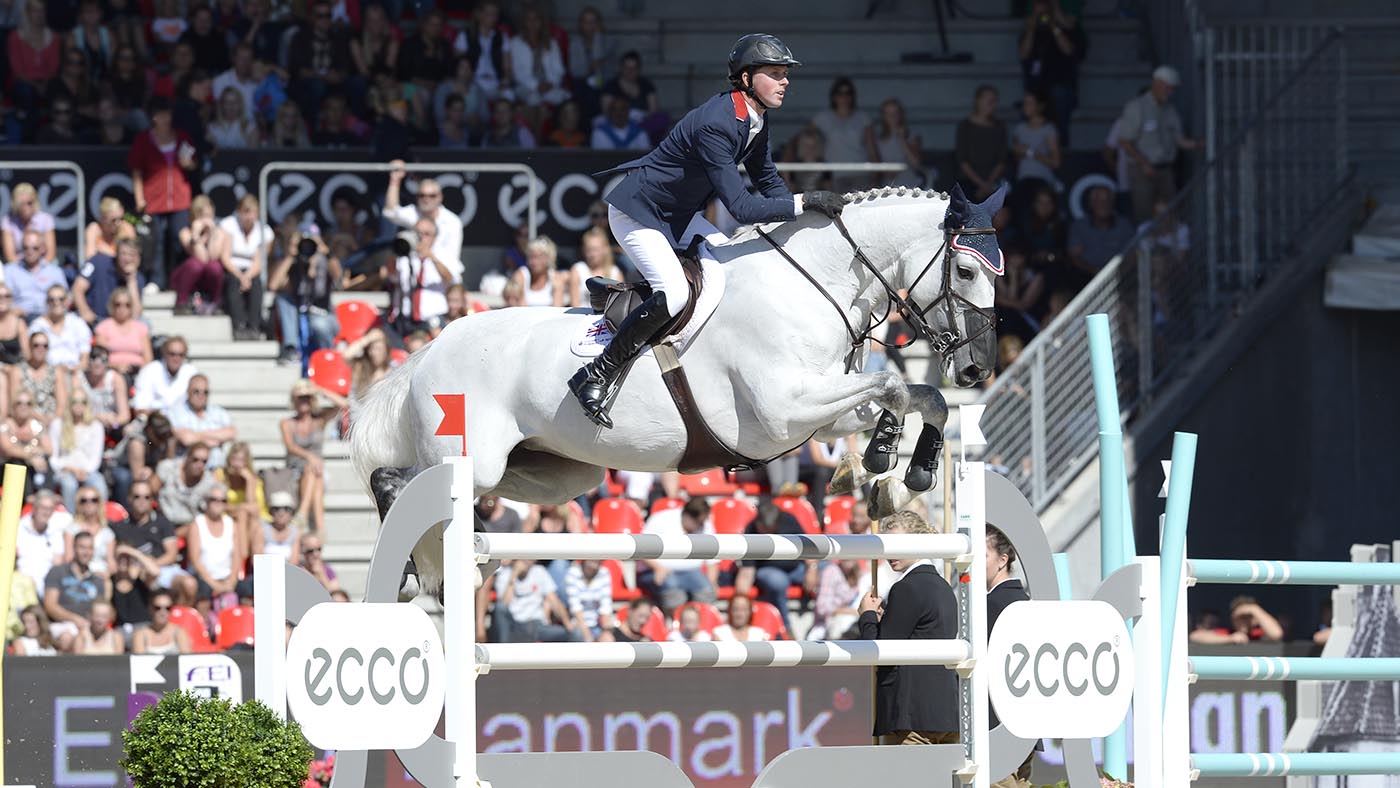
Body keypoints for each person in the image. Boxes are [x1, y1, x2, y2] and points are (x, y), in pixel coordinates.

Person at [570, 34, 846, 428]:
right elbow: (742, 207)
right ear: (747, 79)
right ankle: (596, 374)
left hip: (678, 215)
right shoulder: (717, 123)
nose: (785, 81)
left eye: (785, 74)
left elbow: (767, 180)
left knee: (734, 269)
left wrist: (804, 222)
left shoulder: (755, 117)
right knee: (675, 293)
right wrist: (804, 202)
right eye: (775, 73)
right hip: (639, 213)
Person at [857, 511, 959, 745]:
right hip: (946, 713)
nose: (890, 553)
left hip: (911, 715)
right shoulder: (944, 587)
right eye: (887, 545)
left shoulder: (906, 587)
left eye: (898, 544)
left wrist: (867, 616)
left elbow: (881, 651)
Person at [128, 97, 197, 290]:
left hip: (180, 197)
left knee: (180, 238)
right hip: (154, 198)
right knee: (155, 240)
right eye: (161, 115)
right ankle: (156, 280)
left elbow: (194, 164)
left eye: (168, 115)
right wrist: (139, 197)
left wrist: (188, 164)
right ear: (153, 117)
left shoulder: (182, 136)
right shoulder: (143, 139)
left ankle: (181, 280)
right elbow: (136, 171)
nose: (165, 119)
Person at [1117, 65, 1201, 223]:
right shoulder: (1137, 107)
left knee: (1171, 214)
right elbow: (1124, 141)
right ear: (1156, 83)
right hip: (1141, 170)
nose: (1170, 92)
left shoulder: (1170, 110)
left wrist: (1199, 144)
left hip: (1165, 169)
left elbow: (1180, 140)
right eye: (1167, 87)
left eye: (1172, 89)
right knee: (1144, 215)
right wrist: (1144, 164)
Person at [987, 524, 1035, 788]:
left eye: (983, 555)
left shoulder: (991, 605)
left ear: (1002, 560)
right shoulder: (1026, 601)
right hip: (1026, 723)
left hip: (996, 724)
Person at [733, 499, 817, 634]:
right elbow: (746, 572)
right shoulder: (750, 531)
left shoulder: (789, 520)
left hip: (796, 568)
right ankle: (785, 630)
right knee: (777, 581)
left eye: (771, 531)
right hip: (768, 571)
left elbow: (808, 548)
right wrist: (739, 604)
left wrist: (812, 570)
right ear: (758, 523)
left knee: (828, 570)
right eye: (765, 531)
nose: (768, 535)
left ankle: (822, 624)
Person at [114, 479, 197, 606]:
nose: (142, 501)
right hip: (134, 571)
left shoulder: (163, 522)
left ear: (152, 500)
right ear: (129, 498)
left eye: (147, 497)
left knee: (189, 584)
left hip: (163, 568)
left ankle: (179, 615)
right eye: (137, 496)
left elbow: (172, 555)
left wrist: (152, 564)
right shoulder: (120, 526)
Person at [269, 223, 341, 366]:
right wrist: (290, 256)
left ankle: (328, 360)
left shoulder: (325, 261)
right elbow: (273, 285)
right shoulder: (295, 262)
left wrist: (326, 252)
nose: (307, 247)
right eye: (303, 242)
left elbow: (338, 276)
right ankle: (291, 349)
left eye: (311, 242)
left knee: (318, 324)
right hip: (300, 312)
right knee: (283, 299)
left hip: (324, 314)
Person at [281, 379, 344, 532]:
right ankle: (320, 528)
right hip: (296, 469)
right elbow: (290, 446)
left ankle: (302, 514)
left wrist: (319, 390)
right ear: (294, 400)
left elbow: (344, 405)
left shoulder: (319, 419)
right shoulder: (287, 423)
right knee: (315, 472)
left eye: (307, 397)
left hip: (317, 469)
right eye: (300, 398)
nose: (304, 401)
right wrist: (310, 456)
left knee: (315, 472)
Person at [637, 498, 718, 617]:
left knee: (707, 590)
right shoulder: (662, 519)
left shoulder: (706, 525)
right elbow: (642, 548)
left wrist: (712, 583)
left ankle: (701, 623)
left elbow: (712, 560)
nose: (700, 526)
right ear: (687, 515)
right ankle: (675, 622)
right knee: (673, 591)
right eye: (697, 522)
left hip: (692, 573)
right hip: (658, 571)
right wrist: (658, 568)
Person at [383, 159, 464, 275]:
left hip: (442, 275)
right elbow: (391, 212)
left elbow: (452, 262)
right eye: (422, 195)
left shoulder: (452, 222)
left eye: (432, 196)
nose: (426, 199)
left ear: (440, 197)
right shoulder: (413, 212)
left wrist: (430, 256)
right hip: (414, 273)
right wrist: (395, 180)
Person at [43, 530, 110, 652]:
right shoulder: (58, 572)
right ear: (74, 548)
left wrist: (108, 583)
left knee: (113, 638)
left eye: (90, 548)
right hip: (62, 625)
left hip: (89, 627)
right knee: (69, 637)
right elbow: (50, 605)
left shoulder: (97, 580)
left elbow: (104, 609)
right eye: (82, 547)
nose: (86, 552)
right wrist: (75, 620)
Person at [388, 217, 457, 335]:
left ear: (434, 237)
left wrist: (431, 257)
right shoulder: (404, 256)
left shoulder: (443, 255)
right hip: (405, 317)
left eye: (426, 234)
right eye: (418, 233)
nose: (421, 237)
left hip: (433, 318)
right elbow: (390, 275)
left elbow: (450, 279)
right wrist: (398, 247)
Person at [219, 194, 273, 340]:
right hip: (232, 268)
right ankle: (239, 325)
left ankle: (254, 326)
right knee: (233, 283)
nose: (249, 217)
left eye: (252, 212)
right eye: (245, 212)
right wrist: (240, 276)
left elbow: (260, 261)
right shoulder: (229, 225)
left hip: (252, 271)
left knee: (256, 285)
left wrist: (247, 276)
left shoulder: (265, 231)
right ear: (239, 212)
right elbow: (225, 256)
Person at [491, 558, 578, 643]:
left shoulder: (540, 571)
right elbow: (504, 605)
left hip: (537, 626)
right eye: (523, 557)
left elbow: (554, 601)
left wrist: (567, 623)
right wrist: (514, 575)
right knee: (500, 608)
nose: (526, 560)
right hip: (514, 625)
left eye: (530, 557)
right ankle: (504, 649)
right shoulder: (505, 574)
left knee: (576, 634)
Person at [809, 77, 871, 192]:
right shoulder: (822, 118)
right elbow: (803, 140)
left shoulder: (863, 119)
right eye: (840, 93)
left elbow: (872, 149)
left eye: (848, 93)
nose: (844, 97)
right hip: (834, 175)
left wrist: (877, 175)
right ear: (833, 96)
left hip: (861, 173)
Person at [1066, 185, 1134, 288]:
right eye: (1099, 201)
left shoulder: (1124, 225)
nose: (1104, 204)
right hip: (1087, 276)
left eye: (1107, 200)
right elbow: (1074, 256)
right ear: (1092, 203)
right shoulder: (1079, 226)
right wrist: (1094, 270)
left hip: (1120, 276)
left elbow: (1133, 254)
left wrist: (1121, 271)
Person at [172, 195, 228, 316]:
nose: (206, 220)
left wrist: (211, 235)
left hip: (208, 279)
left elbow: (213, 256)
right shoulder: (185, 233)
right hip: (186, 278)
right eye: (202, 216)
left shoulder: (220, 233)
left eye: (209, 216)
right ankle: (181, 303)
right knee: (195, 265)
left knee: (215, 266)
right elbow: (201, 258)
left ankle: (216, 302)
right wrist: (196, 234)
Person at [50, 396, 108, 511]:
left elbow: (96, 458)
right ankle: (71, 518)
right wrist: (71, 469)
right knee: (69, 485)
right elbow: (53, 457)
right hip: (64, 470)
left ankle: (100, 517)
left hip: (88, 470)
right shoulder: (58, 424)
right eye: (75, 401)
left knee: (99, 484)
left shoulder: (96, 426)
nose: (79, 405)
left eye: (83, 402)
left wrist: (84, 471)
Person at [168, 374, 236, 469]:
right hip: (189, 471)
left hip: (218, 469)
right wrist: (216, 439)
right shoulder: (176, 412)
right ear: (188, 392)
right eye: (196, 391)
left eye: (205, 392)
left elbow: (231, 433)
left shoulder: (218, 412)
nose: (201, 395)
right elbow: (186, 439)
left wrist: (196, 435)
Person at [955, 85, 1008, 202]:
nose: (991, 104)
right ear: (977, 101)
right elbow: (962, 161)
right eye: (988, 100)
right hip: (969, 181)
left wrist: (988, 184)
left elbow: (1002, 160)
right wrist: (982, 185)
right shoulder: (965, 126)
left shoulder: (1000, 127)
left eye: (994, 101)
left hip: (994, 181)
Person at [74, 238, 146, 325]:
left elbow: (136, 315)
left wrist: (131, 281)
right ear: (117, 254)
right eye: (124, 254)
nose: (127, 258)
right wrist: (84, 311)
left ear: (138, 259)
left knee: (144, 323)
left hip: (119, 325)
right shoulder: (97, 262)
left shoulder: (138, 278)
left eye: (132, 255)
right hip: (92, 320)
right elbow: (77, 289)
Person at [4, 229, 66, 319]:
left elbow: (65, 298)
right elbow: (4, 299)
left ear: (42, 248)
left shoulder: (55, 272)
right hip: (19, 319)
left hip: (49, 319)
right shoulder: (10, 271)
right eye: (26, 248)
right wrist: (13, 311)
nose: (30, 252)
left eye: (35, 248)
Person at [865, 98, 925, 188]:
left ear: (901, 114)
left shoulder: (912, 135)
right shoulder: (877, 138)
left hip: (909, 185)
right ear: (883, 116)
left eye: (895, 113)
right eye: (888, 113)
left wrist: (902, 139)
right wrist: (884, 173)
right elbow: (874, 164)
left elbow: (916, 163)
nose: (892, 117)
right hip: (886, 186)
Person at [131, 336, 198, 416]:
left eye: (181, 355)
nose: (176, 358)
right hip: (155, 420)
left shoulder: (191, 372)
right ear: (164, 354)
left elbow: (198, 406)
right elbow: (141, 408)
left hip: (184, 420)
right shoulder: (149, 371)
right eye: (172, 354)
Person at [2, 392, 55, 492]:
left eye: (28, 403)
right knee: (17, 463)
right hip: (10, 470)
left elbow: (49, 450)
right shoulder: (5, 425)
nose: (24, 407)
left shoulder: (37, 425)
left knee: (45, 460)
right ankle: (27, 496)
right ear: (13, 406)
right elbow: (8, 449)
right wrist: (30, 456)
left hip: (34, 468)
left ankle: (46, 494)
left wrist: (38, 452)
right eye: (19, 403)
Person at [31, 286, 92, 371]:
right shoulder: (38, 326)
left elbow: (84, 360)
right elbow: (32, 357)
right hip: (47, 372)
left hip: (75, 371)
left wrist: (72, 371)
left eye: (61, 299)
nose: (56, 303)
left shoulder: (78, 323)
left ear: (67, 301)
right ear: (47, 302)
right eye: (52, 299)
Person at [92, 291, 152, 377]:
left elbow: (148, 358)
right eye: (118, 304)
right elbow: (99, 358)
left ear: (131, 307)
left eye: (127, 305)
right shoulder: (103, 327)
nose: (122, 308)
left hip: (138, 372)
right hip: (111, 372)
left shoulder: (141, 328)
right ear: (112, 306)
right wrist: (116, 366)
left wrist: (140, 372)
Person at [2, 183, 57, 263]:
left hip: (43, 265)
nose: (26, 207)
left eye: (29, 203)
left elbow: (50, 254)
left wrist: (39, 268)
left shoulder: (46, 219)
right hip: (18, 266)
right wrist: (23, 269)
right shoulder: (7, 221)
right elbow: (10, 256)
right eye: (21, 204)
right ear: (15, 204)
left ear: (35, 202)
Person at [510, 235, 567, 308]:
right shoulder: (521, 275)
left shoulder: (556, 278)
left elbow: (557, 308)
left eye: (539, 257)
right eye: (531, 257)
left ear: (549, 258)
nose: (534, 262)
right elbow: (519, 307)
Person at [563, 559, 613, 641]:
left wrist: (606, 632)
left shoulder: (604, 572)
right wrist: (587, 634)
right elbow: (575, 607)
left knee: (608, 639)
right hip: (577, 625)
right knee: (580, 637)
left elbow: (606, 605)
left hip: (597, 625)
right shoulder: (573, 572)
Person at [131, 589, 191, 654]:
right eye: (157, 608)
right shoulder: (141, 634)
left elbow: (187, 658)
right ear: (150, 608)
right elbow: (138, 659)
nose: (163, 612)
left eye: (168, 608)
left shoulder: (179, 632)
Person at [0, 283, 29, 365]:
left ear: (12, 299)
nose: (3, 299)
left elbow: (27, 354)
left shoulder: (19, 323)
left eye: (7, 296)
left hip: (14, 368)